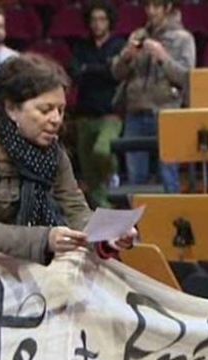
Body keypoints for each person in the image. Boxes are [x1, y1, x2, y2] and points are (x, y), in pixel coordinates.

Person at [0, 53, 135, 264]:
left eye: (60, 110)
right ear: (12, 109)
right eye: (45, 110)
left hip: (10, 261)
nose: (56, 120)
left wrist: (107, 236)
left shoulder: (52, 149)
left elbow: (76, 211)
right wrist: (45, 238)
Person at [111, 0, 195, 193]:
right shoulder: (138, 35)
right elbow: (116, 73)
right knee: (135, 179)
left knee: (168, 176)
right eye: (148, 7)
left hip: (167, 113)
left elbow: (187, 78)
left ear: (167, 8)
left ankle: (171, 220)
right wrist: (126, 57)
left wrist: (163, 57)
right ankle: (139, 223)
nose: (151, 12)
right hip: (135, 111)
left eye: (156, 7)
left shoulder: (183, 38)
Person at [71, 0, 125, 208]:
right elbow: (76, 73)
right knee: (89, 173)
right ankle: (105, 213)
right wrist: (102, 69)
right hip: (84, 114)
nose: (97, 24)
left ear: (109, 21)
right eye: (93, 20)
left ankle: (113, 175)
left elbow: (115, 74)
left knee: (102, 151)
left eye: (101, 19)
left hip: (110, 113)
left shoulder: (118, 45)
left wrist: (89, 69)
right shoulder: (81, 47)